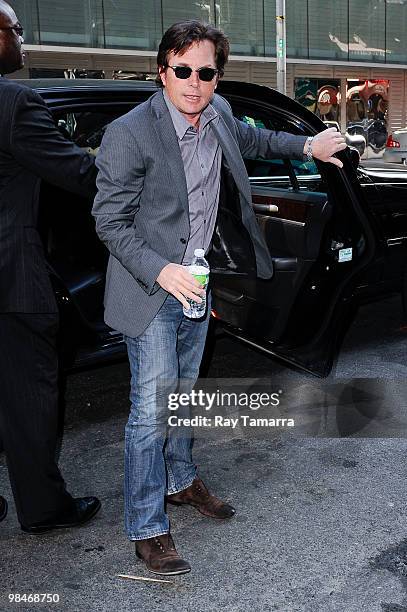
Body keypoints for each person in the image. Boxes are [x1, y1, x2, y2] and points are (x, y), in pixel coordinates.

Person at [92, 20, 346, 575]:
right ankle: (147, 527)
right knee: (149, 414)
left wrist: (307, 144)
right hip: (150, 289)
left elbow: (257, 139)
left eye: (205, 72)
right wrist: (163, 272)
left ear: (216, 77)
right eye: (182, 70)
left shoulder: (220, 114)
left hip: (198, 283)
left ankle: (181, 483)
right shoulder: (131, 133)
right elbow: (109, 221)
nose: (194, 82)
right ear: (163, 71)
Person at [0, 0, 101, 533]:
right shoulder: (15, 103)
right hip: (11, 277)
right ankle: (44, 509)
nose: (24, 40)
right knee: (28, 397)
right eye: (16, 29)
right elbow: (79, 173)